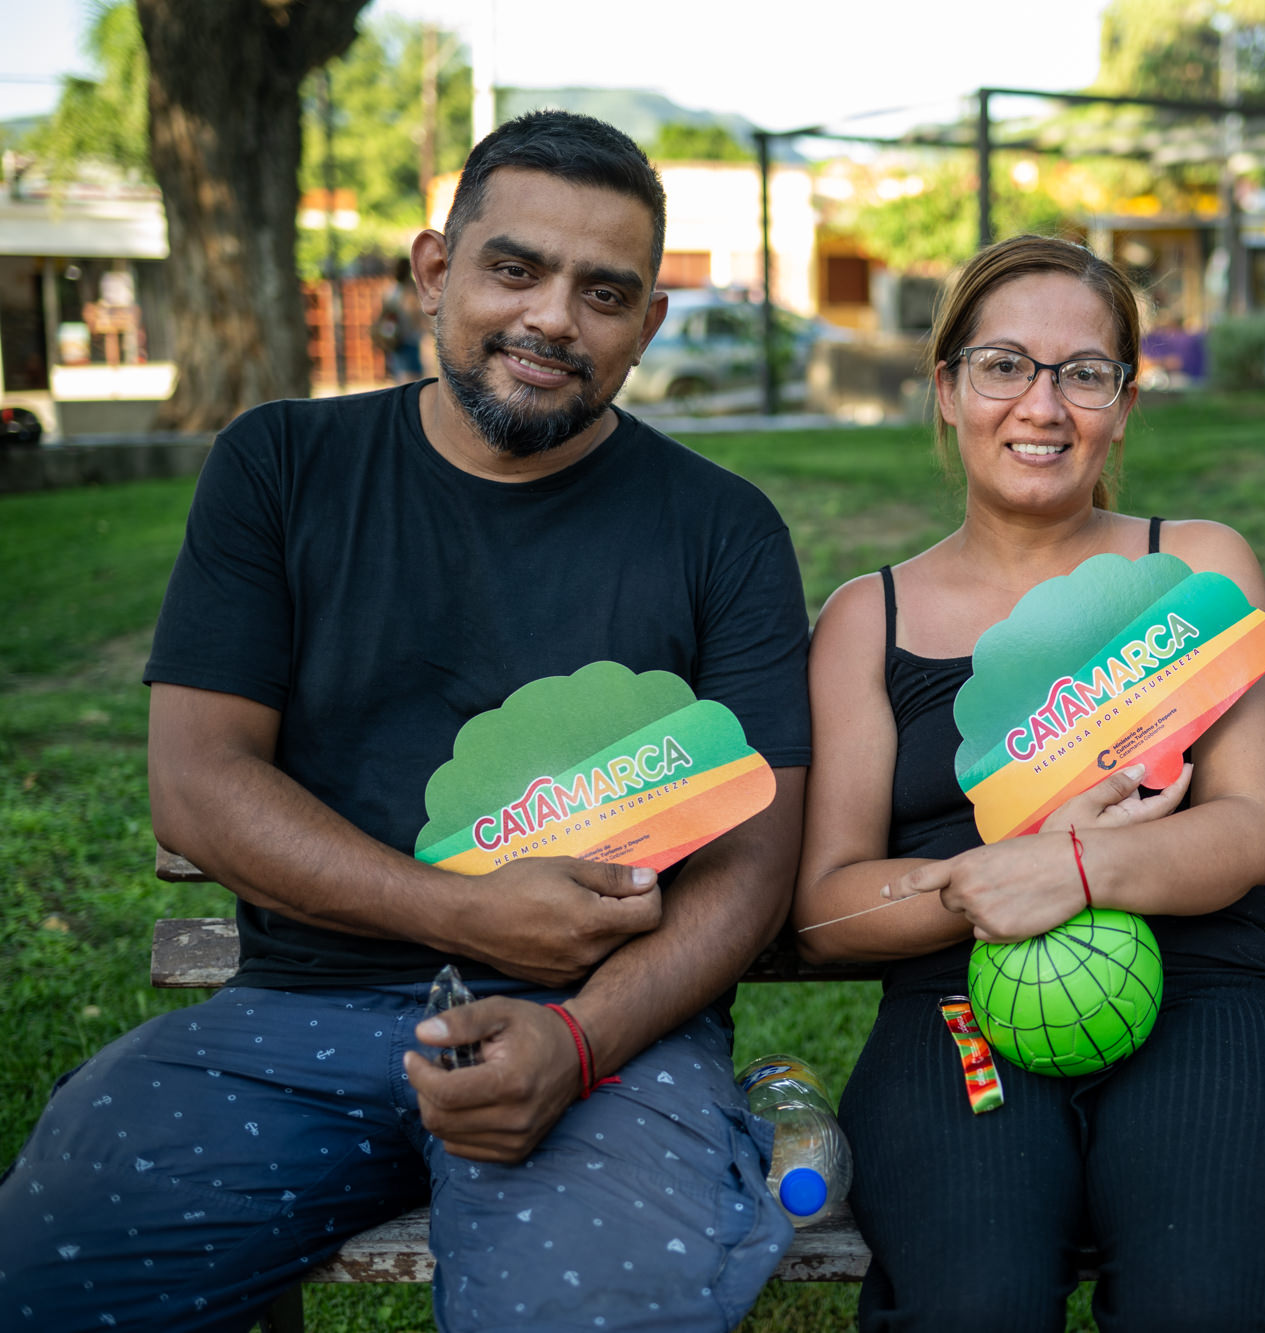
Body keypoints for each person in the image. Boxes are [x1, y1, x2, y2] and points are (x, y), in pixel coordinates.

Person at [0, 110, 812, 1332]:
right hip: (293, 1022)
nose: (551, 318)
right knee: (52, 1275)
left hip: (609, 1041)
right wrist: (466, 912)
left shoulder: (721, 530)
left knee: (588, 1314)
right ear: (434, 271)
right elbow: (200, 781)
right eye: (513, 268)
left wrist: (579, 1042)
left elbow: (754, 863)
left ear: (646, 325)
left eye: (603, 293)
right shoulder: (281, 466)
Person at [794, 234, 1265, 1333]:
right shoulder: (868, 618)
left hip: (1198, 994)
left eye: (1083, 373)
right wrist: (968, 886)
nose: (1041, 406)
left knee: (1200, 1305)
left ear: (1122, 405)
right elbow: (828, 906)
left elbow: (1243, 828)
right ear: (945, 390)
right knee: (970, 1306)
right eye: (1002, 365)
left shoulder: (1199, 567)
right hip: (958, 1010)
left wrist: (1076, 864)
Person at [376, 255, 427, 383]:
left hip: (401, 338)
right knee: (408, 378)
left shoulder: (395, 290)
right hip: (403, 338)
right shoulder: (405, 290)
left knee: (405, 377)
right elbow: (415, 314)